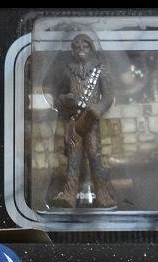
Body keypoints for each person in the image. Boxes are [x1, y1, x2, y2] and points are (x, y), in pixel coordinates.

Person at [51, 33, 116, 209]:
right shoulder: (67, 70)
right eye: (77, 47)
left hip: (91, 120)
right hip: (73, 120)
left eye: (85, 46)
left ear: (91, 49)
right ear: (73, 50)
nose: (81, 50)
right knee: (73, 158)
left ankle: (102, 195)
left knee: (95, 156)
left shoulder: (100, 69)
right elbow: (57, 96)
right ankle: (69, 194)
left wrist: (99, 108)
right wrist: (65, 99)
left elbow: (108, 96)